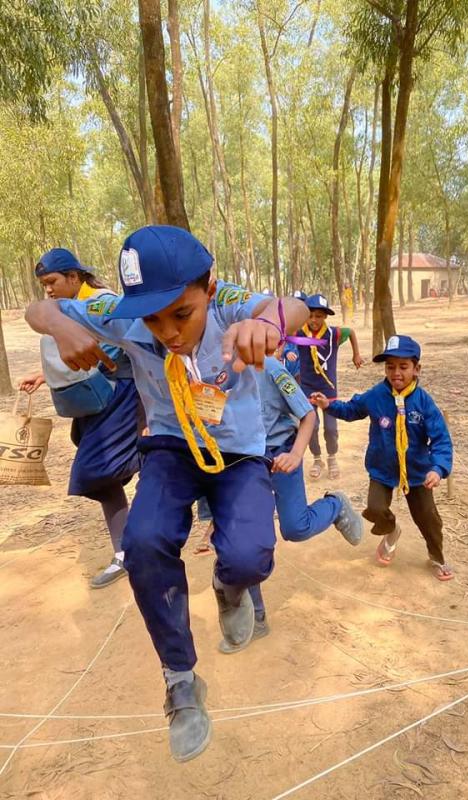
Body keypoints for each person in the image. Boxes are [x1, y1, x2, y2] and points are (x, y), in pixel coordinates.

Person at [24, 225, 310, 764]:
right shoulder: (125, 314)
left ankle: (230, 586)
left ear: (210, 286)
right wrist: (61, 328)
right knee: (145, 542)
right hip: (170, 448)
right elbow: (38, 312)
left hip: (240, 457)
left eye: (181, 313)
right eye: (153, 319)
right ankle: (181, 682)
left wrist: (265, 324)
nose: (169, 333)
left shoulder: (227, 305)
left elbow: (288, 305)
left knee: (251, 556)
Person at [195, 353, 363, 654]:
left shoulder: (270, 368)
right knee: (245, 543)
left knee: (295, 528)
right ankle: (257, 619)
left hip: (280, 456)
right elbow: (209, 430)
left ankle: (335, 506)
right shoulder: (211, 375)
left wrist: (297, 455)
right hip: (242, 463)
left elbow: (308, 415)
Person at [19, 248, 142, 589]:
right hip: (98, 399)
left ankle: (139, 541)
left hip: (122, 396)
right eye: (44, 285)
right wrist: (43, 376)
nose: (49, 290)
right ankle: (125, 552)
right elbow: (80, 353)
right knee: (103, 478)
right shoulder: (67, 309)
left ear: (74, 278)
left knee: (95, 472)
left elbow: (123, 350)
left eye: (53, 282)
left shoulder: (103, 302)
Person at [311, 334, 454, 581]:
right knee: (375, 508)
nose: (396, 372)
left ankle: (437, 556)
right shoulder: (377, 395)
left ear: (416, 369)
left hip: (418, 471)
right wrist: (328, 406)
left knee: (429, 519)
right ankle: (391, 529)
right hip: (383, 468)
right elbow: (352, 409)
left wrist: (438, 468)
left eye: (403, 366)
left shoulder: (424, 403)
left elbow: (441, 439)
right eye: (390, 366)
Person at [296, 293, 364, 480]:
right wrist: (279, 354)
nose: (314, 320)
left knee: (331, 428)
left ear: (325, 316)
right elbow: (283, 339)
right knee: (312, 427)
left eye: (319, 316)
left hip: (328, 390)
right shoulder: (300, 333)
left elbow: (351, 332)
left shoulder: (334, 334)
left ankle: (332, 456)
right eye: (310, 315)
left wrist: (356, 355)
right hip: (307, 388)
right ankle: (317, 459)